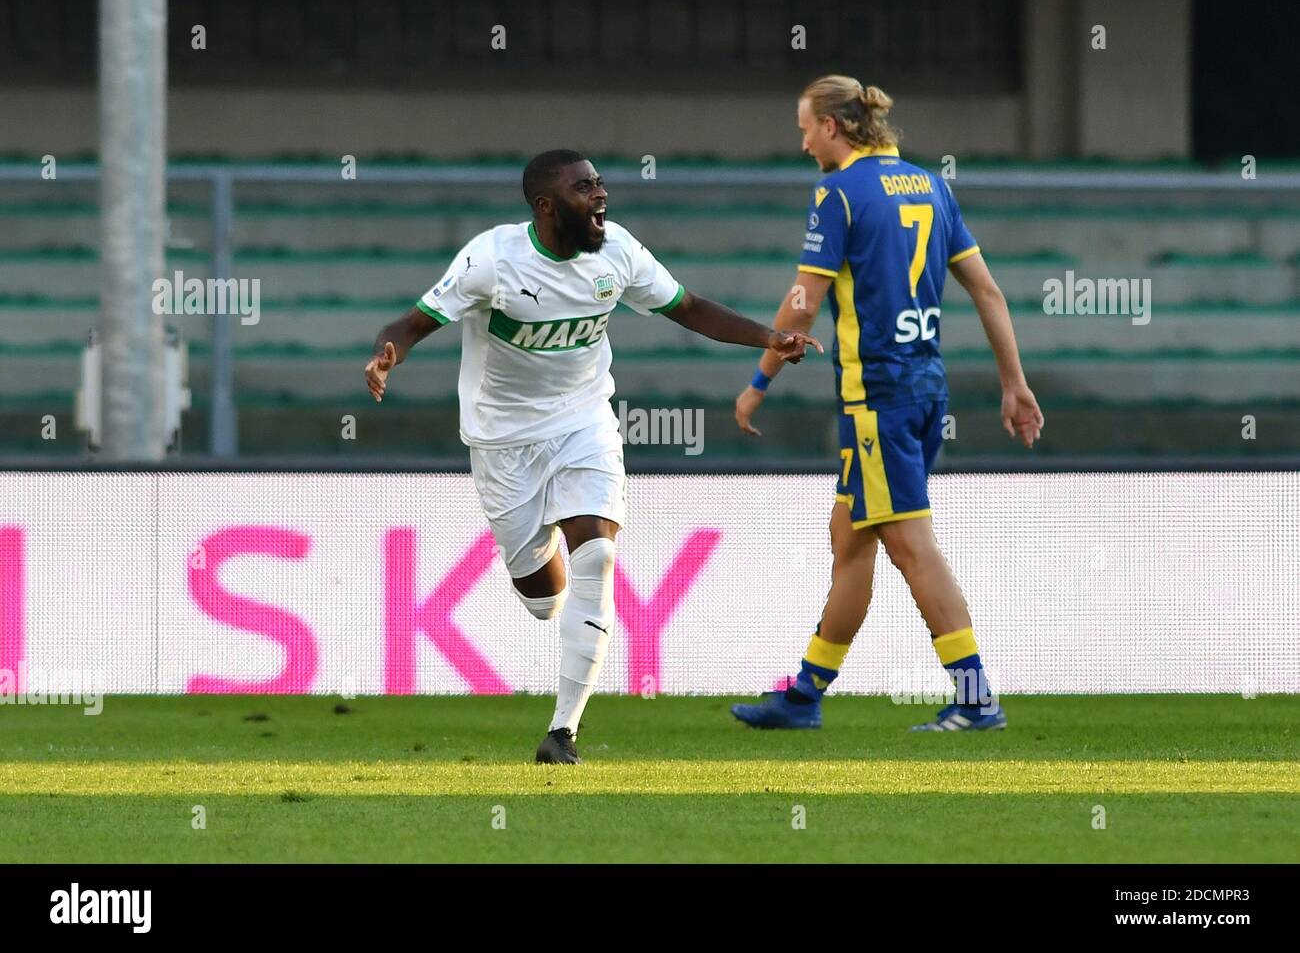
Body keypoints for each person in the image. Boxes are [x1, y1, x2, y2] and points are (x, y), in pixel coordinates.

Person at [366, 149, 820, 762]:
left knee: (599, 555)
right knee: (543, 600)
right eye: (585, 188)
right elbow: (412, 323)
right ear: (547, 206)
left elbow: (686, 307)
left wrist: (768, 337)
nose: (601, 195)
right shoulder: (491, 259)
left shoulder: (617, 252)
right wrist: (386, 354)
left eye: (600, 183)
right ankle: (545, 559)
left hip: (584, 423)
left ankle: (563, 732)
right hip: (503, 442)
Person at [730, 77, 1044, 732]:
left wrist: (758, 380)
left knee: (910, 545)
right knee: (851, 538)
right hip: (927, 389)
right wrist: (1013, 383)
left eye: (806, 127)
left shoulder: (837, 193)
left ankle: (976, 698)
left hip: (877, 398)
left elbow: (802, 304)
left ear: (835, 129)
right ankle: (805, 695)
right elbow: (987, 291)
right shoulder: (932, 186)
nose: (803, 140)